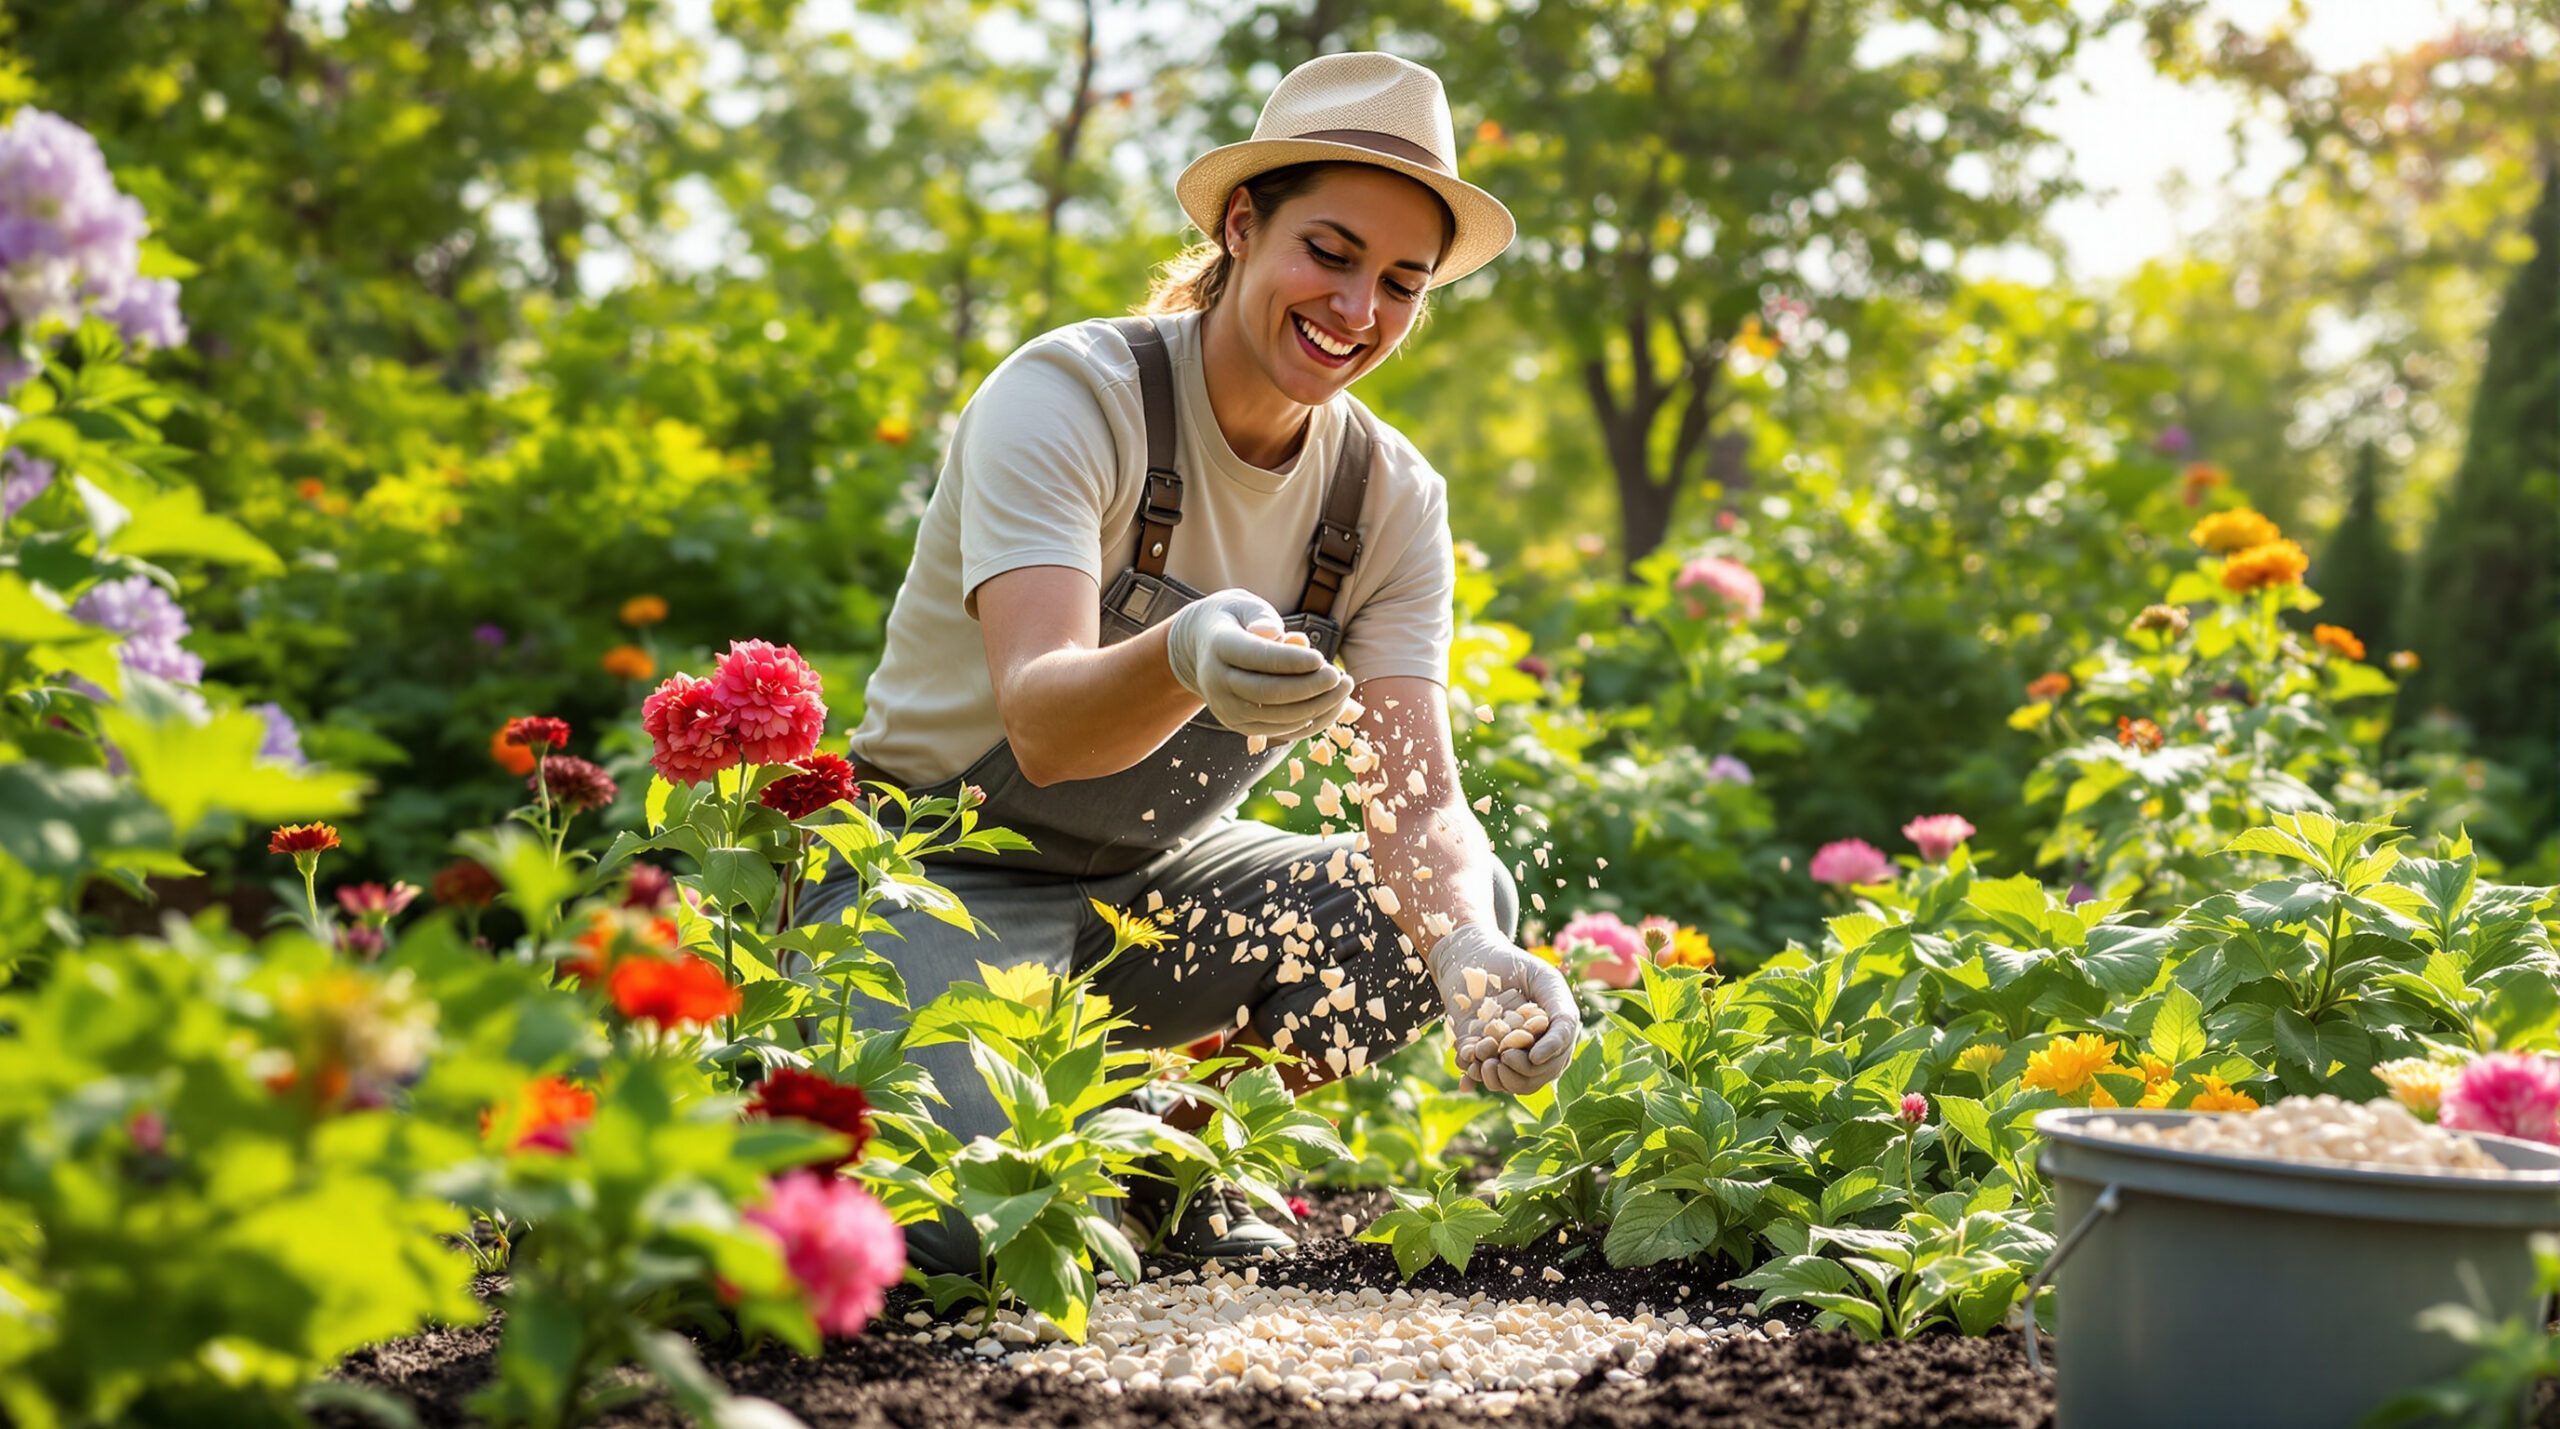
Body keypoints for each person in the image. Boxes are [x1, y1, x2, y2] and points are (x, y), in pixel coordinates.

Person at [799, 51, 1582, 1273]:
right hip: (934, 868)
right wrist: (1181, 646)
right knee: (952, 1233)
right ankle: (1060, 1130)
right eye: (1328, 252)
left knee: (1442, 903)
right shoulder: (1072, 396)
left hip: (1159, 888)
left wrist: (1471, 950)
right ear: (1240, 224)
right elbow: (1048, 732)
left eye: (1401, 282)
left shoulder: (1387, 498)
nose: (1357, 309)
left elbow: (1417, 803)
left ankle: (1180, 1143)